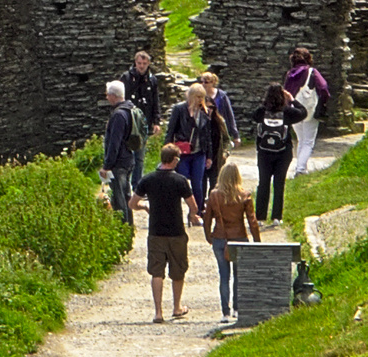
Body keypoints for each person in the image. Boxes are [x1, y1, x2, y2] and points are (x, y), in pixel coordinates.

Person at [138, 143, 196, 321]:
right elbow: (192, 205)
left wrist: (145, 206)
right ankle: (177, 307)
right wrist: (192, 216)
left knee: (157, 272)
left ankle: (158, 312)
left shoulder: (148, 179)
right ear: (174, 160)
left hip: (156, 231)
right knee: (178, 270)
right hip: (176, 231)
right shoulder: (180, 181)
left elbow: (132, 203)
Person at [204, 159, 261, 321]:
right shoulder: (244, 195)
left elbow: (207, 219)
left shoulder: (214, 195)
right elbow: (252, 221)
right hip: (240, 238)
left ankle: (225, 312)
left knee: (223, 276)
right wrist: (257, 241)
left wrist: (209, 236)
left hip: (220, 238)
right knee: (238, 275)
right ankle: (237, 308)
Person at [167, 84, 229, 212]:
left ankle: (197, 212)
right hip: (183, 153)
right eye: (197, 97)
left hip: (199, 153)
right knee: (182, 182)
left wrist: (209, 156)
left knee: (198, 184)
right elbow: (171, 131)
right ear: (190, 96)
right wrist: (167, 153)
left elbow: (207, 136)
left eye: (202, 97)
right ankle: (176, 211)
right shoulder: (179, 109)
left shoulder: (205, 112)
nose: (200, 100)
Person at [102, 78, 147, 229]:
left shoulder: (118, 115)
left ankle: (123, 229)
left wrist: (107, 166)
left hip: (119, 163)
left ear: (113, 95)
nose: (107, 97)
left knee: (119, 198)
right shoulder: (131, 109)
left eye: (108, 94)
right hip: (129, 159)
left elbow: (114, 142)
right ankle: (129, 226)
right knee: (126, 195)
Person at [282, 47, 334, 176]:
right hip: (309, 110)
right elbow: (323, 87)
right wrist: (323, 103)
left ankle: (301, 167)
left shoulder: (289, 74)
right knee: (308, 141)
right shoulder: (312, 72)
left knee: (301, 140)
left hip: (294, 110)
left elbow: (285, 92)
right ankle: (300, 169)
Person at [252, 85, 296, 222]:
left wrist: (264, 103)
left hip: (264, 152)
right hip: (283, 152)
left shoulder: (261, 111)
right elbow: (303, 113)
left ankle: (260, 217)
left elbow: (253, 117)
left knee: (263, 183)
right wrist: (292, 100)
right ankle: (277, 216)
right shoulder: (287, 112)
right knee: (279, 184)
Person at [123, 49, 164, 135]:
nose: (141, 66)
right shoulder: (126, 78)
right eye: (139, 63)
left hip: (146, 121)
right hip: (130, 121)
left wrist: (156, 122)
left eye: (144, 63)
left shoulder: (152, 80)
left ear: (148, 63)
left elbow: (155, 101)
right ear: (135, 63)